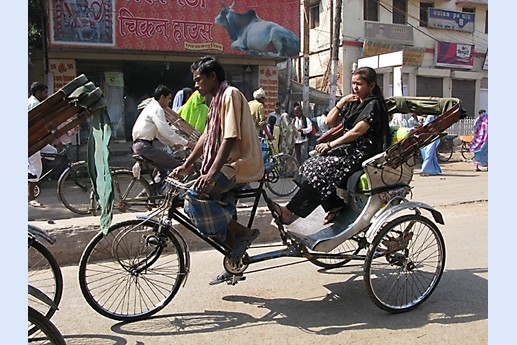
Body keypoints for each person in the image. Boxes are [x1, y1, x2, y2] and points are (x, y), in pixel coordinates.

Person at [171, 56, 264, 285]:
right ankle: (234, 265)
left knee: (194, 196)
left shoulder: (229, 94)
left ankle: (243, 232)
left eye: (199, 80)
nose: (196, 85)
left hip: (238, 164)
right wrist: (188, 163)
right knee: (223, 214)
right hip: (227, 165)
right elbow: (206, 136)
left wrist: (211, 173)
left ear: (213, 77)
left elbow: (230, 137)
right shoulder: (215, 100)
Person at [270, 66, 390, 225]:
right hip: (347, 149)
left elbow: (357, 132)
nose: (355, 87)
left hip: (362, 152)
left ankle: (289, 211)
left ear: (371, 86)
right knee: (308, 166)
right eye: (353, 83)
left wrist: (330, 144)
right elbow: (329, 122)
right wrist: (342, 102)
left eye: (359, 84)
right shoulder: (353, 102)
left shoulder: (373, 104)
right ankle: (334, 205)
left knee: (319, 170)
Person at [132, 84, 192, 182]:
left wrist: (173, 144)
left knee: (163, 169)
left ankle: (152, 190)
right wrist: (186, 143)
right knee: (177, 165)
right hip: (144, 147)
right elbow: (165, 130)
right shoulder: (157, 109)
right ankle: (171, 193)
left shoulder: (152, 106)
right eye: (168, 98)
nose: (169, 101)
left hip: (142, 146)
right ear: (162, 97)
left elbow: (159, 133)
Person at [28, 82, 58, 208]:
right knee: (36, 167)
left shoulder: (30, 102)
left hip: (33, 138)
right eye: (44, 93)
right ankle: (31, 197)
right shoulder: (34, 104)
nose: (46, 95)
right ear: (38, 92)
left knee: (53, 152)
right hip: (31, 139)